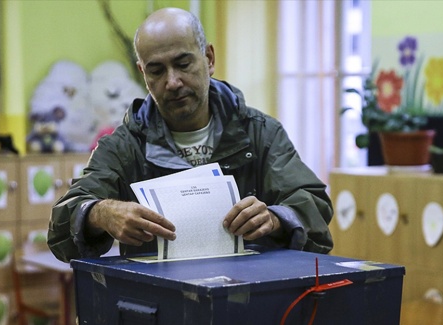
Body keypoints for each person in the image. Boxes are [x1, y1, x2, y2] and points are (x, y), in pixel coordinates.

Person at [48, 7, 333, 262]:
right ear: (142, 73)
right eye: (156, 71)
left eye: (183, 64)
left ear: (208, 58)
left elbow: (313, 205)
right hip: (160, 303)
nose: (172, 82)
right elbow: (62, 227)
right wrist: (100, 213)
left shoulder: (259, 133)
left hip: (248, 297)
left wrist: (275, 218)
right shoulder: (125, 146)